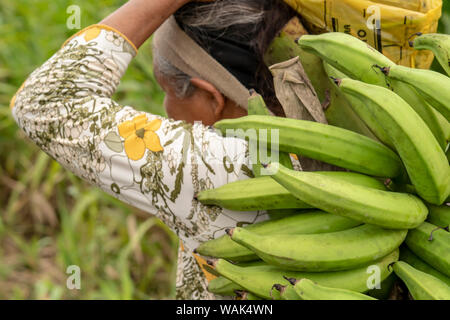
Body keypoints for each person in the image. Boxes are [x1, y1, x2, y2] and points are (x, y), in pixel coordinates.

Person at [10, 0, 297, 299]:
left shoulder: (224, 168)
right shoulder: (332, 138)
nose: (164, 108)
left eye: (167, 91)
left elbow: (45, 103)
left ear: (213, 98)